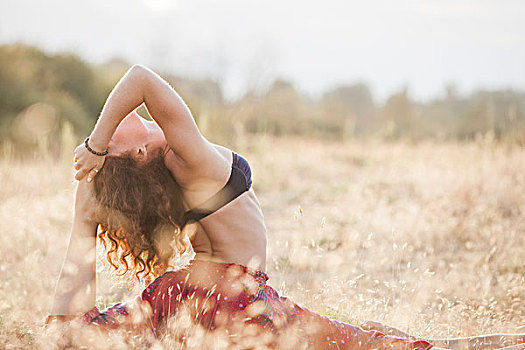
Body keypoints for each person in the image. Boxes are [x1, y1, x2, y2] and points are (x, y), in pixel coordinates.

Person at [47, 65, 524, 349]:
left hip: (197, 293)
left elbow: (136, 88)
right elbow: (140, 78)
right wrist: (94, 146)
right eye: (110, 138)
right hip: (232, 300)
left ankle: (82, 219)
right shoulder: (182, 156)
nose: (109, 122)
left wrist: (88, 200)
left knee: (77, 337)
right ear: (136, 155)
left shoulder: (173, 168)